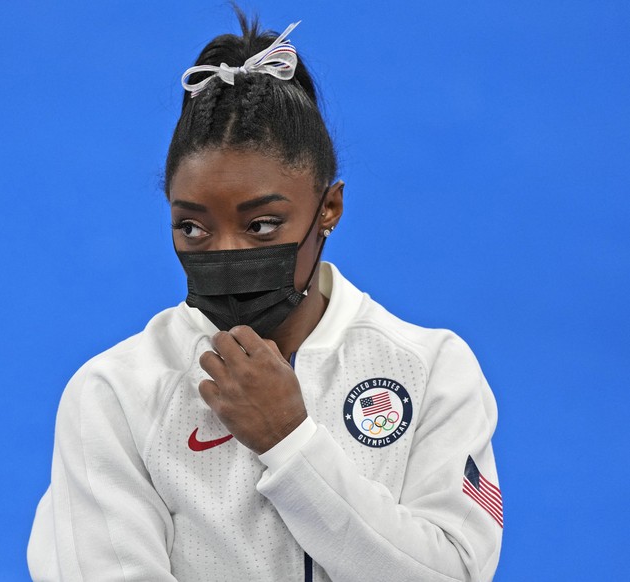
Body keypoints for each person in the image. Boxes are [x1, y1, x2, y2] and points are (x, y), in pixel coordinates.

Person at [28, 12, 502, 582]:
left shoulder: (431, 371)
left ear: (329, 209)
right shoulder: (116, 394)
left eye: (261, 226)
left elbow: (453, 573)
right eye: (193, 228)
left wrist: (291, 443)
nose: (226, 252)